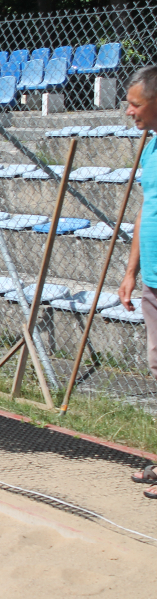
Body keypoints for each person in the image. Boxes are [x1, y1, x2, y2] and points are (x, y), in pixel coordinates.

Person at [118, 66, 157, 497]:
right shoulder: (150, 148)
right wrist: (131, 272)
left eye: (135, 104)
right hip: (154, 280)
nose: (129, 111)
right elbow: (147, 210)